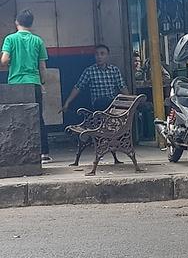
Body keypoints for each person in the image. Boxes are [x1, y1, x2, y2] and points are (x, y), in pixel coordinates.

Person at [0, 9, 51, 163]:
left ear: (16, 22)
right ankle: (44, 153)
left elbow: (4, 61)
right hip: (33, 82)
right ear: (31, 24)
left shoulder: (10, 39)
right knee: (38, 117)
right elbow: (42, 67)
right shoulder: (38, 41)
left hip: (15, 84)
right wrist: (42, 83)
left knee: (14, 118)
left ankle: (17, 150)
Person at [61, 44, 129, 112]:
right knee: (101, 102)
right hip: (98, 106)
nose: (99, 56)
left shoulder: (114, 70)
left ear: (107, 55)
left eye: (102, 54)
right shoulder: (89, 71)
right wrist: (67, 102)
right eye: (97, 54)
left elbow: (122, 86)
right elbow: (78, 87)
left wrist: (130, 102)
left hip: (112, 105)